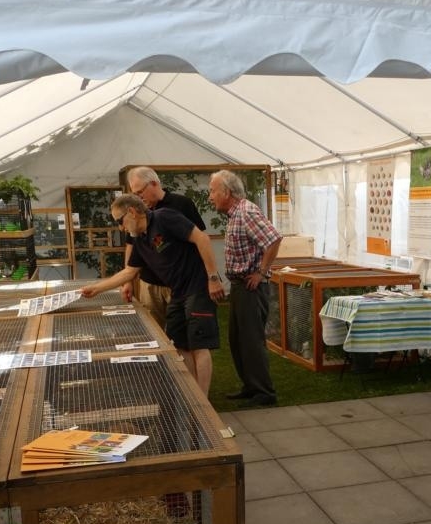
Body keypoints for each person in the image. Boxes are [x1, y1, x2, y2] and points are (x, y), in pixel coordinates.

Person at [80, 193, 225, 396]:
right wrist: (96, 289)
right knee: (179, 344)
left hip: (198, 286)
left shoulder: (164, 217)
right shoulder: (140, 240)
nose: (121, 228)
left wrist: (213, 277)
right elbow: (129, 272)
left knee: (199, 345)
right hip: (178, 292)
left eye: (120, 221)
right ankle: (194, 396)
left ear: (132, 212)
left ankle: (203, 403)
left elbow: (202, 238)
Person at [208, 169, 282, 406]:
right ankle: (251, 386)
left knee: (251, 341)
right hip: (241, 286)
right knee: (239, 340)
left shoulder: (246, 211)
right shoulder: (236, 214)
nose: (210, 197)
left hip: (251, 288)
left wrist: (261, 272)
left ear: (226, 192)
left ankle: (264, 393)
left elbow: (274, 239)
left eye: (212, 191)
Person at [122, 167, 207, 328]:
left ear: (154, 183)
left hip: (179, 284)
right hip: (150, 283)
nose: (138, 197)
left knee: (184, 332)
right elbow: (131, 245)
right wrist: (128, 281)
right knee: (153, 329)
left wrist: (208, 276)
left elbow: (200, 239)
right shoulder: (137, 210)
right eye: (135, 194)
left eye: (140, 192)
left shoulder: (182, 204)